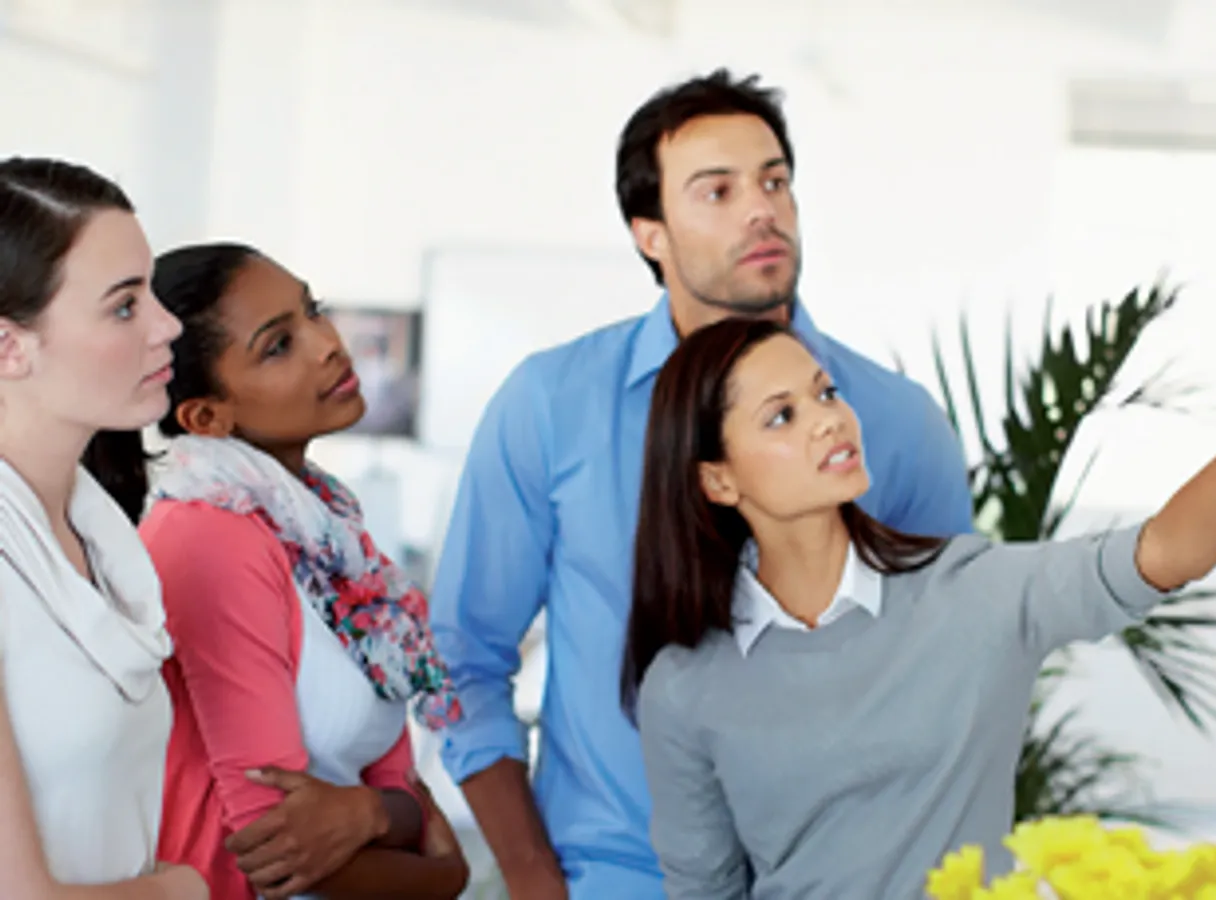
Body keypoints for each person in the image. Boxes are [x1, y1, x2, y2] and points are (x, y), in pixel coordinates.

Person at [626, 263, 1216, 899]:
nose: (827, 421)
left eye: (824, 393)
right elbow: (704, 892)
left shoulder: (970, 594)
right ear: (717, 480)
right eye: (781, 416)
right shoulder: (685, 687)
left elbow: (1166, 552)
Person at [428, 68, 974, 899]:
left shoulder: (896, 423)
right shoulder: (552, 404)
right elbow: (463, 656)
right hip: (615, 878)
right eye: (717, 191)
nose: (761, 210)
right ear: (650, 233)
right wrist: (532, 876)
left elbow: (951, 674)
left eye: (774, 182)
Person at [82, 241, 469, 900]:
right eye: (278, 346)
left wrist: (372, 813)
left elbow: (401, 791)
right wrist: (440, 875)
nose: (328, 344)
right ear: (207, 417)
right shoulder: (206, 536)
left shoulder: (327, 533)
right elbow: (273, 849)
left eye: (312, 310)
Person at [0, 156, 206, 898]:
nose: (167, 326)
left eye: (151, 292)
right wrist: (184, 890)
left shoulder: (101, 535)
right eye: (124, 306)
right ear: (9, 347)